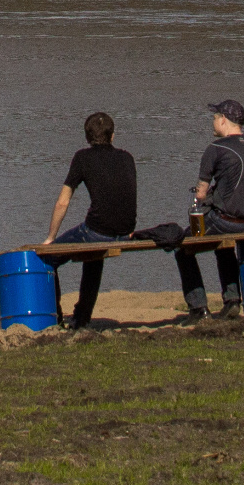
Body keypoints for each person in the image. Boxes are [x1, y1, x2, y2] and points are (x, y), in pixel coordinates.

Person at [174, 98, 244, 319]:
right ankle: (232, 300)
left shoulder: (215, 149)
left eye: (215, 117)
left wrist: (202, 195)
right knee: (223, 245)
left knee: (182, 247)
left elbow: (201, 193)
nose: (213, 122)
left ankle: (198, 308)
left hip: (227, 222)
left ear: (224, 120)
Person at [44, 110, 139, 329]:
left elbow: (62, 202)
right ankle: (82, 318)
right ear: (112, 136)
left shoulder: (82, 157)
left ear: (87, 138)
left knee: (48, 259)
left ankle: (55, 318)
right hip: (126, 231)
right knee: (93, 253)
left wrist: (51, 238)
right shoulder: (127, 157)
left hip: (99, 232)